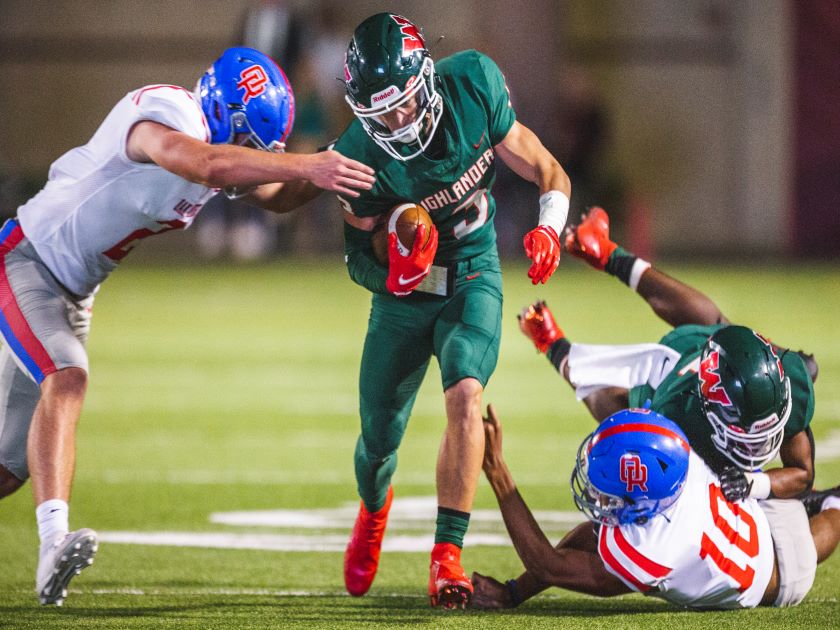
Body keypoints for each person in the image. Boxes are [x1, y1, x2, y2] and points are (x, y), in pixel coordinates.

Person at [0, 46, 375, 606]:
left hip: (73, 292)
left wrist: (339, 160)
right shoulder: (167, 112)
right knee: (68, 375)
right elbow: (207, 164)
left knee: (9, 467)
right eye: (250, 141)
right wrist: (304, 163)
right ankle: (54, 545)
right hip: (25, 259)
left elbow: (274, 195)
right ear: (225, 112)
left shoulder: (221, 147)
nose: (253, 156)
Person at [333, 13, 572, 608]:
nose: (396, 122)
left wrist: (549, 227)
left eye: (404, 104)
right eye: (381, 114)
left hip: (471, 271)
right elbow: (355, 258)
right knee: (378, 440)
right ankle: (373, 507)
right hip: (404, 297)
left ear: (426, 78)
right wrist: (392, 273)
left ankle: (447, 556)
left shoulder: (471, 85)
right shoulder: (358, 155)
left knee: (466, 390)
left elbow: (547, 166)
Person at [518, 207, 816, 503]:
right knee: (626, 420)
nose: (760, 443)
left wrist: (755, 484)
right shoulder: (676, 413)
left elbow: (803, 474)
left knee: (721, 327)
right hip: (670, 373)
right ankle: (552, 342)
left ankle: (606, 252)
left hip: (710, 345)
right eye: (748, 431)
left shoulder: (790, 380)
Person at [472, 405, 840, 610]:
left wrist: (499, 475)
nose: (599, 497)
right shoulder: (678, 454)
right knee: (798, 511)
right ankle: (817, 500)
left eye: (609, 492)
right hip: (748, 511)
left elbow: (550, 566)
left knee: (818, 535)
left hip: (778, 574)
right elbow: (592, 537)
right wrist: (513, 592)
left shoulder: (653, 549)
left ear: (647, 500)